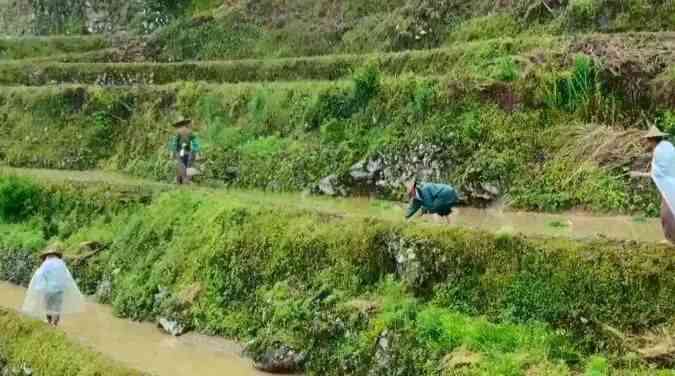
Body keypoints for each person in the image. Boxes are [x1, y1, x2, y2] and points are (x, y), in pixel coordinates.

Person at [632, 126, 675, 244]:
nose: (647, 143)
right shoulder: (667, 146)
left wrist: (638, 174)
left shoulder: (659, 151)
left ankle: (670, 240)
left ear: (652, 139)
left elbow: (657, 174)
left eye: (648, 140)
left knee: (666, 213)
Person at [23, 244, 84, 326]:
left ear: (46, 256)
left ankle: (49, 323)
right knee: (57, 309)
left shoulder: (45, 264)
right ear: (56, 255)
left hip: (48, 290)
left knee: (48, 308)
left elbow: (39, 276)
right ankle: (55, 325)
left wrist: (39, 289)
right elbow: (67, 277)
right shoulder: (61, 263)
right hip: (59, 291)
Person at [169, 119, 201, 185]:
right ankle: (183, 180)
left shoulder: (178, 131)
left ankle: (182, 181)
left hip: (180, 152)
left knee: (181, 165)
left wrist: (172, 152)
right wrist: (197, 153)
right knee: (186, 166)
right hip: (187, 152)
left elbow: (174, 143)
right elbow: (195, 143)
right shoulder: (190, 131)